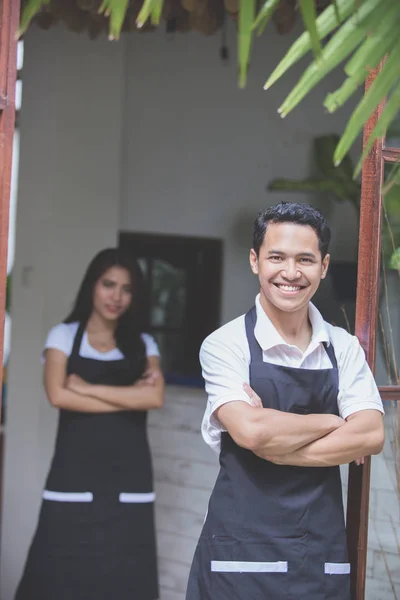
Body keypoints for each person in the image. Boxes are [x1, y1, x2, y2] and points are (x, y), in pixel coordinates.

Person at [186, 202, 384, 600]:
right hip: (239, 554)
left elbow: (371, 434)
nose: (291, 273)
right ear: (255, 261)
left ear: (324, 266)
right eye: (277, 257)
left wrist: (278, 447)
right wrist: (333, 421)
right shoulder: (225, 344)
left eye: (305, 260)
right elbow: (252, 430)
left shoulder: (342, 347)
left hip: (320, 554)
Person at [16, 248, 164, 600]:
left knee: (126, 580)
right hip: (73, 475)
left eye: (126, 289)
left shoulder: (145, 344)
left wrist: (86, 387)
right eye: (108, 285)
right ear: (92, 287)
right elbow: (58, 396)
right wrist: (127, 395)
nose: (117, 296)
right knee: (56, 577)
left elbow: (154, 399)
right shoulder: (63, 336)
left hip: (129, 478)